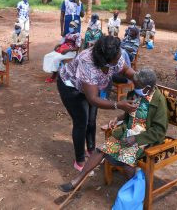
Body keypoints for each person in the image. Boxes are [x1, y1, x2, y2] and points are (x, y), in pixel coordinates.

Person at [59, 68, 168, 193]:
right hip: (128, 133)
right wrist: (118, 118)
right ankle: (76, 181)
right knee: (101, 150)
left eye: (138, 86)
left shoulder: (159, 101)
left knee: (128, 165)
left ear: (148, 88)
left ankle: (133, 194)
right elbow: (131, 114)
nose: (135, 88)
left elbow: (159, 130)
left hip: (145, 139)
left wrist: (136, 139)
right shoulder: (136, 94)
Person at [57, 35, 137, 172]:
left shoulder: (113, 53)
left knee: (92, 121)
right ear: (105, 60)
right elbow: (93, 98)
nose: (119, 58)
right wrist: (119, 105)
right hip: (71, 87)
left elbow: (125, 70)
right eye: (116, 58)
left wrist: (140, 79)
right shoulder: (87, 62)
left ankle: (91, 150)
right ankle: (80, 161)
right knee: (81, 122)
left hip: (91, 87)